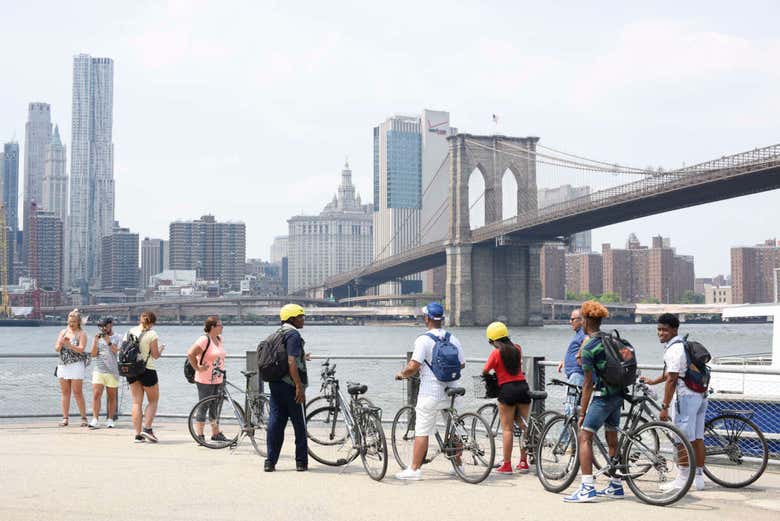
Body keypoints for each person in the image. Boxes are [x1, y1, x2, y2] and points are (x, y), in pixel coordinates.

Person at [394, 302, 465, 480]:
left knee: (422, 430)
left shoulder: (423, 340)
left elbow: (413, 366)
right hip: (453, 390)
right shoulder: (453, 338)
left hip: (431, 392)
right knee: (453, 428)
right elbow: (462, 363)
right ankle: (459, 465)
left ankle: (415, 469)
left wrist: (402, 375)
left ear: (427, 319)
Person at [564, 300, 625, 502]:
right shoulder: (609, 339)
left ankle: (587, 487)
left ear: (586, 320)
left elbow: (588, 383)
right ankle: (616, 485)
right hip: (618, 396)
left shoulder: (590, 345)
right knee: (612, 437)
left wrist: (582, 412)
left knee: (584, 437)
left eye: (581, 317)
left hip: (602, 397)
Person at [640, 313, 707, 491]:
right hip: (700, 396)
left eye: (665, 330)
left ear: (675, 330)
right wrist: (653, 381)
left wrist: (664, 406)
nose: (661, 333)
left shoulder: (673, 350)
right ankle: (698, 478)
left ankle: (682, 479)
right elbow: (672, 373)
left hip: (686, 398)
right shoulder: (682, 346)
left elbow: (672, 380)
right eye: (659, 329)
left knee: (681, 439)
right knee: (697, 438)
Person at [265, 304, 311, 472]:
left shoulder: (278, 333)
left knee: (276, 422)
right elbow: (291, 361)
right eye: (300, 317)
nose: (303, 320)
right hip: (291, 385)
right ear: (292, 318)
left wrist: (302, 357)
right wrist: (298, 385)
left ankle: (270, 461)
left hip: (275, 384)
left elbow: (286, 358)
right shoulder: (293, 335)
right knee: (300, 424)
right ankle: (301, 462)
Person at [482, 321, 532, 474]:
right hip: (523, 387)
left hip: (507, 390)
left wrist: (492, 377)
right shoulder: (517, 349)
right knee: (524, 427)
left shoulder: (496, 353)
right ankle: (524, 462)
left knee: (507, 429)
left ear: (493, 340)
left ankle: (507, 465)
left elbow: (485, 370)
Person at [187, 315, 228, 444]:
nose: (222, 327)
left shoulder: (219, 339)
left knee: (215, 406)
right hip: (205, 379)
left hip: (218, 378)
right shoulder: (204, 339)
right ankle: (200, 435)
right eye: (220, 325)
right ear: (212, 327)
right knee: (204, 405)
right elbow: (190, 353)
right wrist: (198, 368)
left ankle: (216, 433)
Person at [126, 311, 165, 443]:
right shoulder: (152, 334)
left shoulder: (131, 331)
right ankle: (147, 429)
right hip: (147, 369)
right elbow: (154, 355)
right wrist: (161, 350)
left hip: (131, 370)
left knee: (137, 402)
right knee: (153, 401)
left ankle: (138, 435)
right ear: (152, 322)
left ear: (140, 319)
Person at [54, 309, 89, 427]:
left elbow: (81, 349)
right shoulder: (63, 332)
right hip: (63, 364)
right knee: (65, 392)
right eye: (70, 321)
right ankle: (65, 418)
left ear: (78, 322)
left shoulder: (82, 333)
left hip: (76, 364)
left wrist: (70, 345)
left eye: (74, 321)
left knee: (77, 392)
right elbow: (57, 348)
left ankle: (84, 418)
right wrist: (61, 343)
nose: (71, 324)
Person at [89, 317, 121, 429]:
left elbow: (117, 351)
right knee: (96, 395)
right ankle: (95, 419)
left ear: (111, 325)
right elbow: (93, 354)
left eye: (104, 326)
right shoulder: (98, 337)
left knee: (111, 396)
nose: (102, 328)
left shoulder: (117, 337)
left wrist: (108, 341)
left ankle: (110, 419)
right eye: (100, 326)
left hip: (112, 370)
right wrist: (95, 342)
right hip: (99, 369)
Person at [557, 309, 585, 418]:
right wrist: (565, 361)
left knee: (570, 410)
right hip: (576, 375)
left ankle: (567, 435)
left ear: (581, 320)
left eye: (572, 319)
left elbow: (584, 351)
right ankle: (576, 434)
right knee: (575, 410)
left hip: (578, 375)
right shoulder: (580, 334)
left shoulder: (584, 334)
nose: (570, 322)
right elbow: (577, 351)